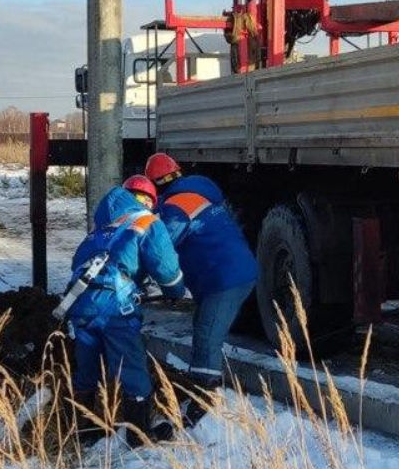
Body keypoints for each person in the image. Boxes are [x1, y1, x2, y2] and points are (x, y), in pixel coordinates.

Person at [64, 175, 185, 445]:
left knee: (86, 367)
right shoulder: (147, 222)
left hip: (79, 303)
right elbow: (167, 270)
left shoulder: (99, 229)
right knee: (131, 366)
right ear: (149, 201)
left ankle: (82, 430)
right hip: (115, 306)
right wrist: (175, 293)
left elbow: (77, 264)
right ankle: (139, 434)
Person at [144, 153, 258, 427]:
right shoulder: (198, 193)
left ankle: (204, 402)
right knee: (204, 327)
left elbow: (161, 251)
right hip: (233, 271)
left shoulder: (175, 207)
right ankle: (201, 389)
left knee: (207, 334)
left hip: (224, 278)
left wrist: (138, 278)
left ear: (155, 183)